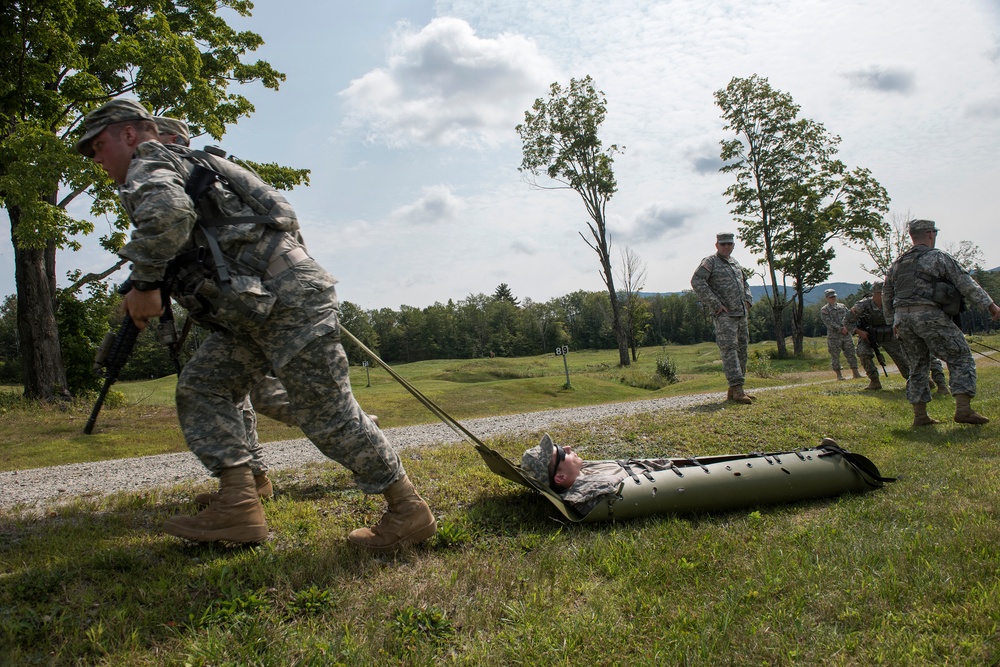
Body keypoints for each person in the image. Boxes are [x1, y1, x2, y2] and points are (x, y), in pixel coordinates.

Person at [78, 98, 436, 550]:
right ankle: (240, 503)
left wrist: (146, 281)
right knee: (203, 386)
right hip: (258, 308)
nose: (96, 158)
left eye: (97, 146)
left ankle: (408, 510)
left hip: (281, 303)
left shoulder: (149, 161)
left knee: (325, 413)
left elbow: (169, 215)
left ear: (128, 134)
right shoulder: (196, 163)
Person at [882, 219, 1000, 426]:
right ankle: (963, 409)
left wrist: (893, 322)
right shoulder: (937, 257)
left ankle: (920, 416)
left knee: (917, 366)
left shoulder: (898, 263)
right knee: (961, 357)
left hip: (902, 319)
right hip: (928, 315)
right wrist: (991, 307)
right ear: (930, 233)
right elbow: (966, 283)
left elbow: (886, 294)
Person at [691, 232, 755, 404]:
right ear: (717, 245)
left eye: (729, 244)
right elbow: (697, 281)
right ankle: (737, 388)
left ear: (733, 245)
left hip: (741, 313)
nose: (726, 247)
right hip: (725, 315)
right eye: (723, 244)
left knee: (742, 350)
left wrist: (748, 300)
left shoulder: (735, 264)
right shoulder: (710, 262)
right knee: (729, 351)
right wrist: (715, 304)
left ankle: (734, 390)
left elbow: (745, 283)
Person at [844, 282, 911, 390]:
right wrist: (858, 331)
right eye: (883, 293)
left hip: (889, 334)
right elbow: (847, 321)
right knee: (863, 352)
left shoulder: (892, 303)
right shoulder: (862, 305)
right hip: (869, 336)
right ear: (875, 293)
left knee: (902, 358)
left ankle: (912, 380)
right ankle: (874, 381)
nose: (886, 296)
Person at [820, 289, 861, 381]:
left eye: (834, 296)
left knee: (851, 353)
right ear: (827, 298)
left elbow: (848, 317)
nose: (833, 298)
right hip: (834, 337)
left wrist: (847, 328)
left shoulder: (842, 307)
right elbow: (828, 323)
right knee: (835, 356)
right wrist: (840, 329)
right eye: (831, 297)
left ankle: (856, 373)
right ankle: (839, 375)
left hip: (846, 335)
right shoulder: (824, 310)